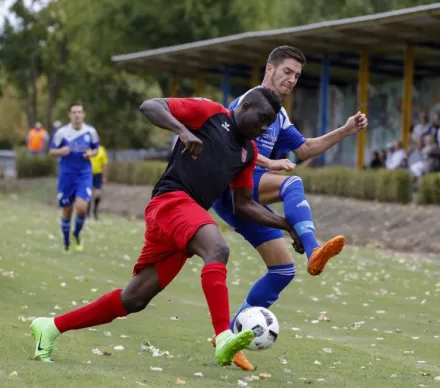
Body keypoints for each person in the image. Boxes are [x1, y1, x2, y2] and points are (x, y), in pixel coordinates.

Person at [30, 87, 304, 367]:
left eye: (269, 123)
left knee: (134, 299)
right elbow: (150, 105)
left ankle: (49, 327)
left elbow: (243, 204)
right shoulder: (209, 112)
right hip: (169, 202)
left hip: (185, 219)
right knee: (217, 248)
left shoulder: (248, 151)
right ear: (245, 107)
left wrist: (286, 224)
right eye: (261, 119)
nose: (263, 127)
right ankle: (223, 337)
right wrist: (182, 131)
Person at [210, 45, 367, 371]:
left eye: (297, 75)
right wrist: (269, 160)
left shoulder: (278, 115)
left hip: (249, 197)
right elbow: (237, 141)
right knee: (292, 184)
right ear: (270, 69)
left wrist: (347, 130)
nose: (292, 79)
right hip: (232, 185)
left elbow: (306, 148)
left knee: (282, 269)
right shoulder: (248, 101)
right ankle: (313, 250)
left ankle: (228, 339)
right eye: (287, 72)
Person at [49, 102, 99, 252]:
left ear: (83, 114)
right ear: (69, 115)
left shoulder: (90, 131)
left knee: (82, 207)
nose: (77, 115)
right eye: (74, 112)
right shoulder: (62, 133)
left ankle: (76, 234)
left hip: (84, 174)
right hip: (66, 175)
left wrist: (91, 153)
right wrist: (60, 151)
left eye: (80, 112)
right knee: (67, 210)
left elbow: (96, 149)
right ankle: (66, 242)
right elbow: (51, 151)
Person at [88, 144, 109, 220]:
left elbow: (105, 164)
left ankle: (95, 211)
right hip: (87, 174)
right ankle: (87, 213)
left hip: (98, 174)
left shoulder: (101, 149)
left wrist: (104, 177)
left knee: (98, 194)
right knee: (88, 194)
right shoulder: (87, 148)